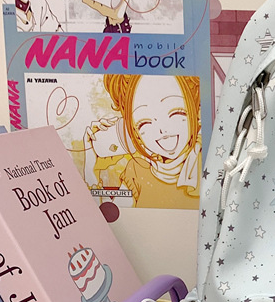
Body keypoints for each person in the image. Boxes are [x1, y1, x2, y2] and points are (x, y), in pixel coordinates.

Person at [83, 74, 201, 209]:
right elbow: (106, 219)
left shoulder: (208, 160)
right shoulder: (137, 171)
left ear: (195, 107)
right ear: (134, 131)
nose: (162, 130)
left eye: (176, 112)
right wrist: (90, 168)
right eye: (144, 122)